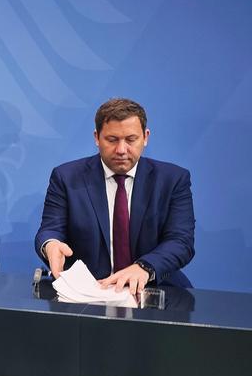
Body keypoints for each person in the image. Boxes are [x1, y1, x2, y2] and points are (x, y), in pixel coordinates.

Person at [35, 98, 195, 293]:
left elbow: (181, 242)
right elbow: (50, 229)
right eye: (112, 140)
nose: (121, 150)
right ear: (96, 137)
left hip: (154, 289)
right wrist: (51, 245)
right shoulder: (66, 178)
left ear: (145, 137)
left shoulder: (173, 180)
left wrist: (144, 267)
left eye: (130, 139)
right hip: (88, 292)